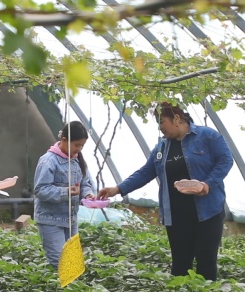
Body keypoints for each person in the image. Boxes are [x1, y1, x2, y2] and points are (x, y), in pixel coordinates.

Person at [97, 102, 233, 281]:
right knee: (180, 263)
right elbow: (146, 172)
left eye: (162, 122)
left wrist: (206, 184)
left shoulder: (208, 136)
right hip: (176, 216)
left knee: (205, 260)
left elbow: (225, 160)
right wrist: (117, 189)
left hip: (207, 212)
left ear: (177, 119)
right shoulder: (162, 147)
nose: (160, 128)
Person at [34, 121, 95, 269]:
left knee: (73, 264)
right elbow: (40, 190)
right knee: (60, 264)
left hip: (70, 220)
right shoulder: (48, 161)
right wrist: (66, 192)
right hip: (50, 220)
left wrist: (87, 195)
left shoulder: (77, 160)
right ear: (64, 140)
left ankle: (72, 291)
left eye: (82, 146)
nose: (79, 149)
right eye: (76, 145)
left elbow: (85, 183)